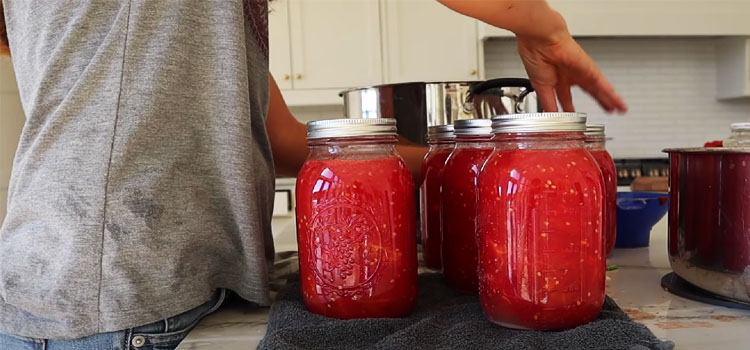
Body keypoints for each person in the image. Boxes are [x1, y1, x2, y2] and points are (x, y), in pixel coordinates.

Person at [0, 0, 627, 349]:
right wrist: (543, 24)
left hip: (113, 281)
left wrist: (465, 160)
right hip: (120, 290)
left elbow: (284, 142)